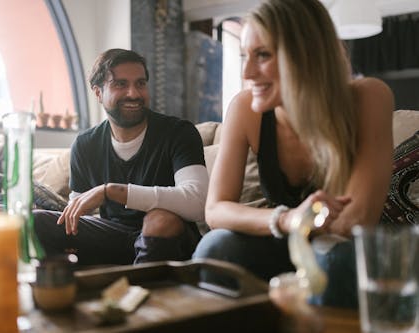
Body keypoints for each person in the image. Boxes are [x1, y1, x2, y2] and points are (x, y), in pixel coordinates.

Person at [192, 0, 394, 308]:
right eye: (246, 55)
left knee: (335, 261)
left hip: (346, 250)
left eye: (262, 55)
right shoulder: (245, 108)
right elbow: (216, 210)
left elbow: (356, 220)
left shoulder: (368, 97)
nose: (247, 72)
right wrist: (287, 219)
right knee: (214, 249)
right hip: (283, 240)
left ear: (306, 56)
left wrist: (305, 221)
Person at [34, 48, 208, 266]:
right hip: (114, 236)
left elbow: (198, 202)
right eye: (120, 84)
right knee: (36, 222)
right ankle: (65, 290)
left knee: (160, 220)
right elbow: (76, 216)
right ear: (98, 92)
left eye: (141, 83)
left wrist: (111, 192)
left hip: (169, 239)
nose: (134, 94)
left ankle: (136, 291)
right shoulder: (85, 144)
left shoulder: (179, 132)